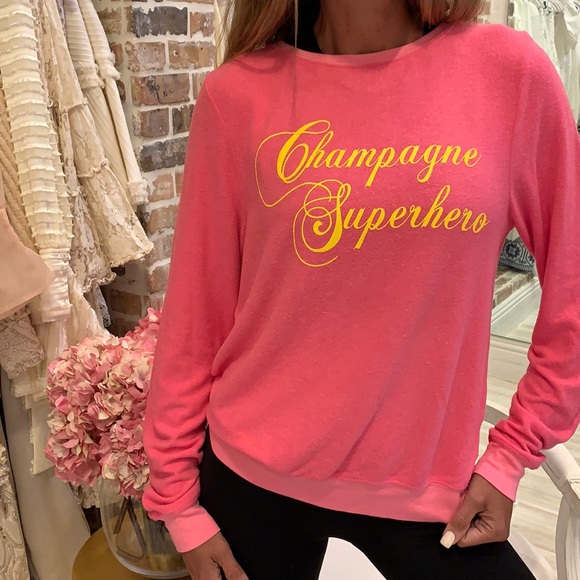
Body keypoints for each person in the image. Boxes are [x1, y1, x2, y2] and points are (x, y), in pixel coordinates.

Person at [143, 0, 580, 578]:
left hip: (429, 494)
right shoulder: (237, 93)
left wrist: (512, 453)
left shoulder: (508, 73)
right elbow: (197, 315)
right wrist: (176, 498)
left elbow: (572, 287)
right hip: (248, 479)